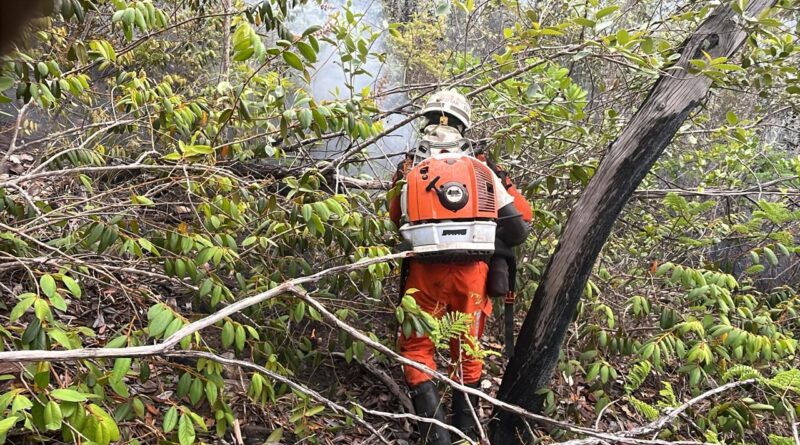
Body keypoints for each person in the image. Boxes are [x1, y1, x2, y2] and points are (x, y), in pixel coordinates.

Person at [388, 90, 532, 444]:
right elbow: (520, 224)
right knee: (467, 352)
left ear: (426, 120)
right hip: (473, 275)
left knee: (417, 349)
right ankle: (464, 435)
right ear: (463, 125)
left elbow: (396, 218)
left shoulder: (409, 166)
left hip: (424, 272)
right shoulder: (481, 166)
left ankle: (435, 437)